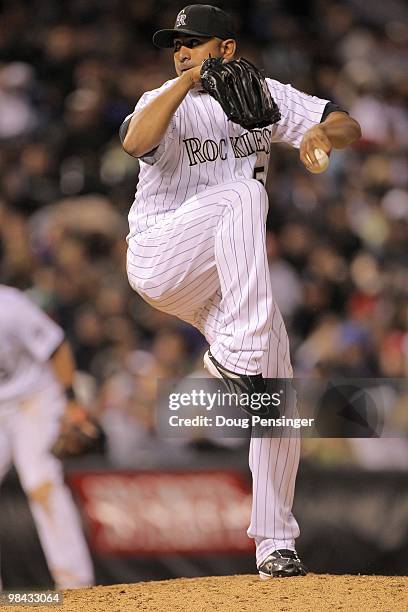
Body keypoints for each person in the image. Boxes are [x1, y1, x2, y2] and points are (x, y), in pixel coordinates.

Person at [120, 4, 361, 578]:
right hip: (163, 255)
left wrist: (319, 135)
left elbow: (346, 121)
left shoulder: (262, 93)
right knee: (245, 193)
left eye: (194, 42)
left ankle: (275, 543)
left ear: (226, 48)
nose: (181, 50)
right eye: (175, 43)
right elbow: (135, 142)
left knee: (276, 395)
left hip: (222, 276)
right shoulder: (164, 100)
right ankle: (241, 353)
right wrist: (183, 83)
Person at [0, 284, 94, 589]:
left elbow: (56, 346)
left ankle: (75, 584)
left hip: (34, 397)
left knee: (40, 479)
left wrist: (70, 401)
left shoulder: (9, 306)